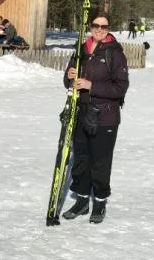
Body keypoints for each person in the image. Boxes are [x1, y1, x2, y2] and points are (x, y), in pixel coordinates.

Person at [62, 12, 129, 224]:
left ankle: (99, 202)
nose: (99, 29)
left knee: (100, 161)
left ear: (109, 29)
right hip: (81, 113)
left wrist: (92, 86)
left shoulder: (115, 53)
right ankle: (82, 201)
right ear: (91, 26)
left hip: (105, 116)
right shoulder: (81, 49)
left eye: (104, 26)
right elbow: (67, 80)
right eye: (96, 25)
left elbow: (121, 87)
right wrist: (70, 76)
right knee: (81, 159)